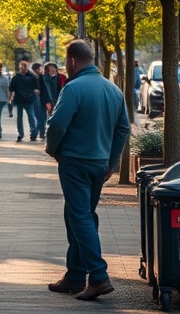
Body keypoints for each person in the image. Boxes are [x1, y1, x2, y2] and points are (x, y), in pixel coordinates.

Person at [44, 40, 131, 300]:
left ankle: (98, 275)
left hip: (75, 162)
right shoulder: (113, 89)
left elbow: (57, 125)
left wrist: (53, 150)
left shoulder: (73, 88)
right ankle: (74, 275)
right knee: (79, 214)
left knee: (80, 216)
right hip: (98, 164)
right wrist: (111, 162)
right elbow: (123, 128)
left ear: (72, 61)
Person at [8, 60, 37, 142]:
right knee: (20, 117)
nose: (22, 69)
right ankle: (21, 133)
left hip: (28, 100)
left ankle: (33, 133)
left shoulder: (31, 77)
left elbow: (36, 88)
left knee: (30, 116)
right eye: (21, 67)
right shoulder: (16, 78)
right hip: (20, 100)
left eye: (23, 67)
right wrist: (9, 99)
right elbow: (11, 89)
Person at [29, 62, 47, 141]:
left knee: (40, 117)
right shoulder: (34, 77)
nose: (41, 70)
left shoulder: (41, 77)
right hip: (36, 99)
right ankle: (37, 133)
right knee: (38, 117)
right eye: (39, 69)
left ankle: (40, 133)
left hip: (40, 99)